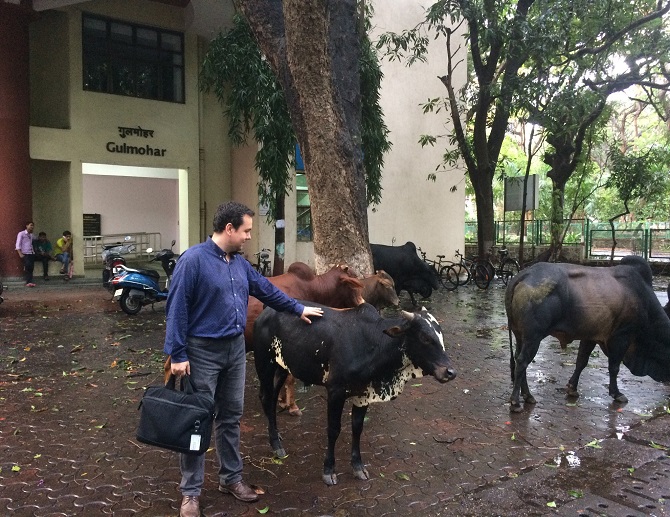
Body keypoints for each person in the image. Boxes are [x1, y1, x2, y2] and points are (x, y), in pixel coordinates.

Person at [164, 201, 324, 517]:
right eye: (247, 230)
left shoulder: (238, 264)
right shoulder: (193, 261)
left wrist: (298, 308)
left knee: (231, 416)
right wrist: (178, 353)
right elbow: (176, 309)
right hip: (201, 354)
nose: (249, 236)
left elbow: (266, 290)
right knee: (198, 420)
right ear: (229, 229)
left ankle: (231, 479)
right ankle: (191, 493)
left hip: (235, 351)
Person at [15, 221, 36, 287]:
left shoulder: (31, 235)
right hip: (25, 253)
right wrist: (20, 253)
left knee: (31, 268)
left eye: (33, 226)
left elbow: (36, 239)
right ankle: (28, 281)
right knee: (28, 266)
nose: (32, 227)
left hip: (31, 253)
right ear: (27, 226)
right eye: (31, 225)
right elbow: (18, 244)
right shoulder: (21, 234)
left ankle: (30, 281)